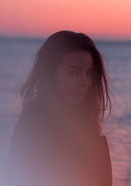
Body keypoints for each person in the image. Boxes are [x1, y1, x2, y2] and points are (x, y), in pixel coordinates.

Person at [7, 30, 113, 186]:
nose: (85, 81)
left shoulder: (84, 124)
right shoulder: (35, 126)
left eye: (89, 73)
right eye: (73, 73)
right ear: (50, 73)